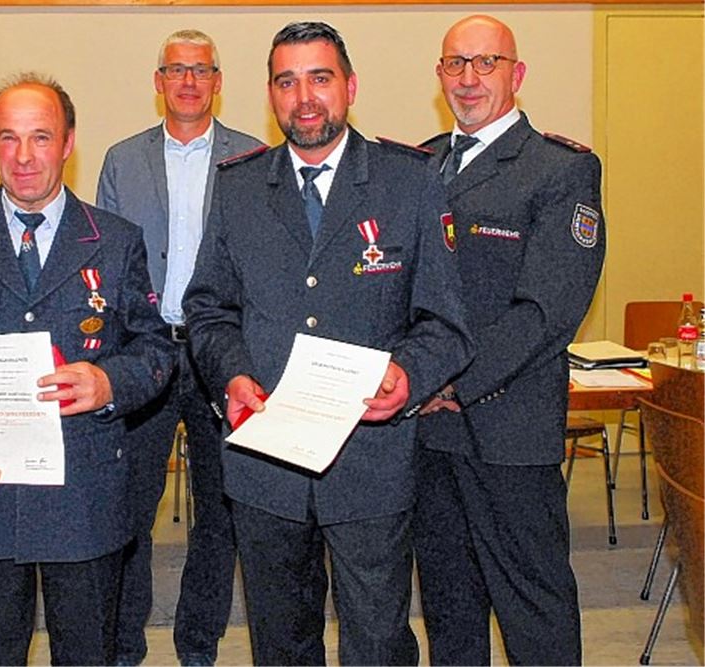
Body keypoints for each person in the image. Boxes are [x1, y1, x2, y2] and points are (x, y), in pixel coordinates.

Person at [183, 21, 474, 665]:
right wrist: (230, 375)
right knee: (281, 643)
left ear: (350, 86)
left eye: (320, 78)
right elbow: (207, 308)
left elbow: (447, 323)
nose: (304, 97)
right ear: (270, 94)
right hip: (267, 464)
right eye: (287, 82)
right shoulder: (238, 186)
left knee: (376, 638)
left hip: (371, 462)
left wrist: (407, 375)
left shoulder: (411, 181)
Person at [0, 73, 174, 666]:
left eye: (41, 138)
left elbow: (156, 352)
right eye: (8, 139)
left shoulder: (115, 240)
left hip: (85, 501)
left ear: (69, 142)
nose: (24, 157)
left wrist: (108, 383)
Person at [413, 15, 606, 666]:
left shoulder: (558, 169)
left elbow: (547, 309)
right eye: (455, 65)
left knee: (535, 616)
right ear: (440, 76)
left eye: (485, 63)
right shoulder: (421, 164)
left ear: (516, 74)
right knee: (449, 611)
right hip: (429, 437)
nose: (469, 80)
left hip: (508, 430)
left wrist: (453, 381)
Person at [94, 28, 264, 667]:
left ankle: (199, 646)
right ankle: (123, 646)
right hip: (147, 355)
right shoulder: (122, 159)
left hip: (224, 356)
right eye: (175, 70)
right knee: (129, 510)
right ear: (158, 81)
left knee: (221, 514)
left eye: (201, 70)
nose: (188, 81)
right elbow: (106, 267)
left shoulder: (252, 157)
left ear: (218, 81)